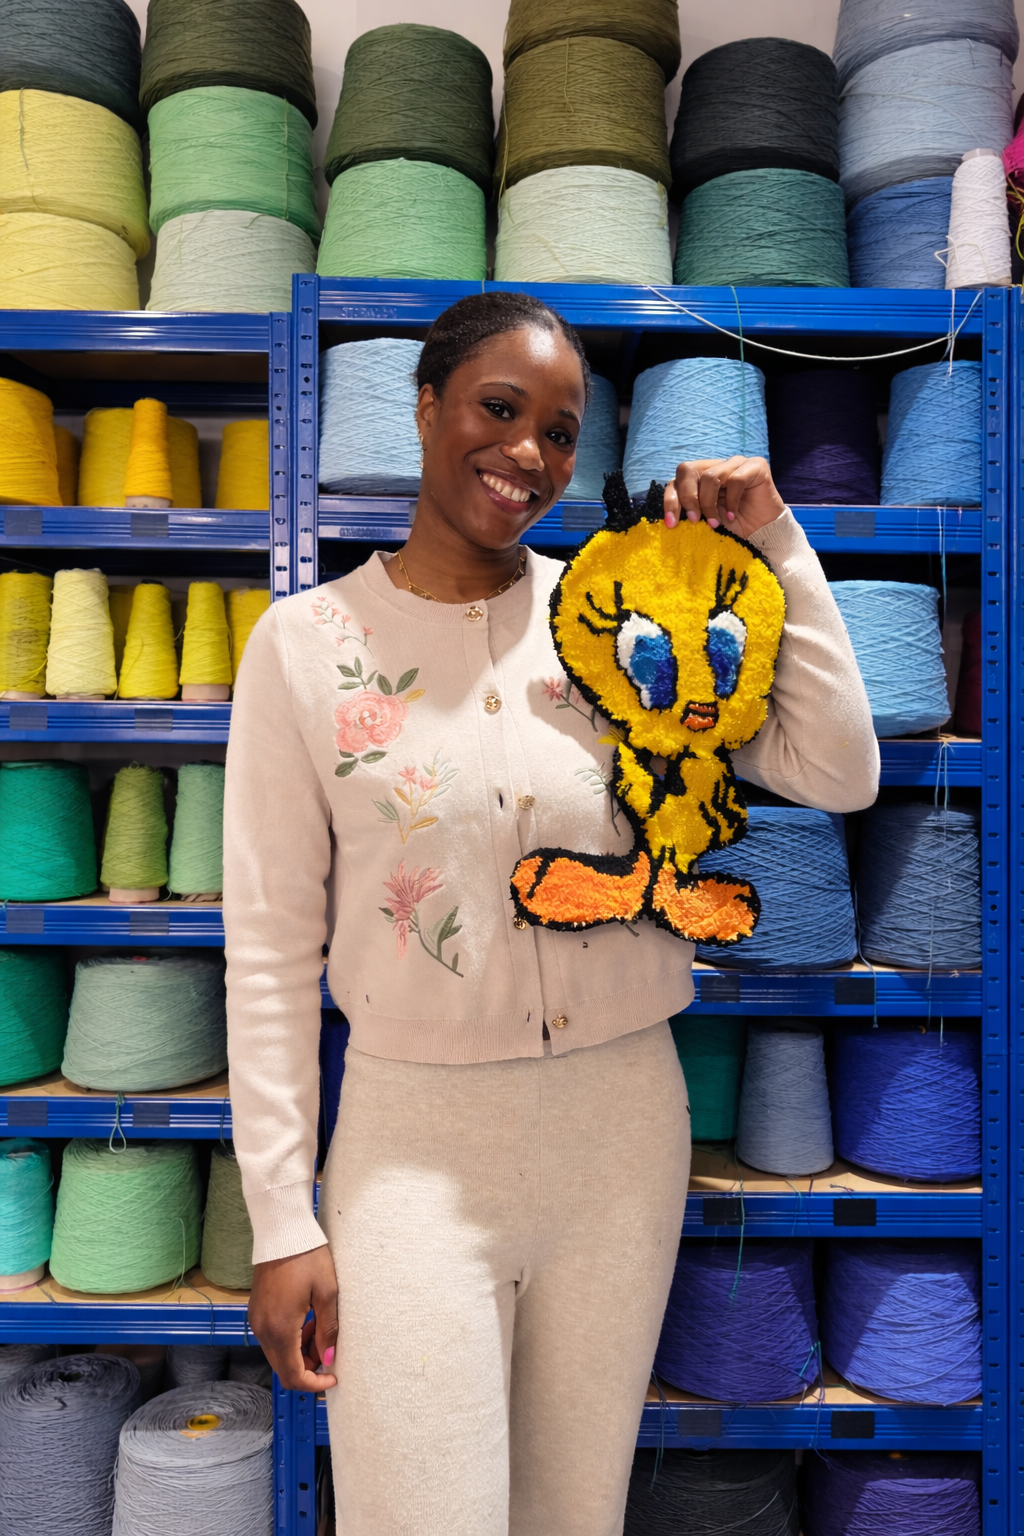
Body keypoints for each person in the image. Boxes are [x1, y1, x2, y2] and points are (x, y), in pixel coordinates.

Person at [224, 292, 878, 1535]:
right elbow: (265, 954)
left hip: (620, 1134)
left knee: (577, 1512)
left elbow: (840, 771)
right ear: (426, 406)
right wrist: (279, 1217)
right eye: (500, 408)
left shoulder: (613, 620)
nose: (528, 452)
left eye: (563, 432)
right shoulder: (304, 648)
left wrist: (776, 543)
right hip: (414, 1150)